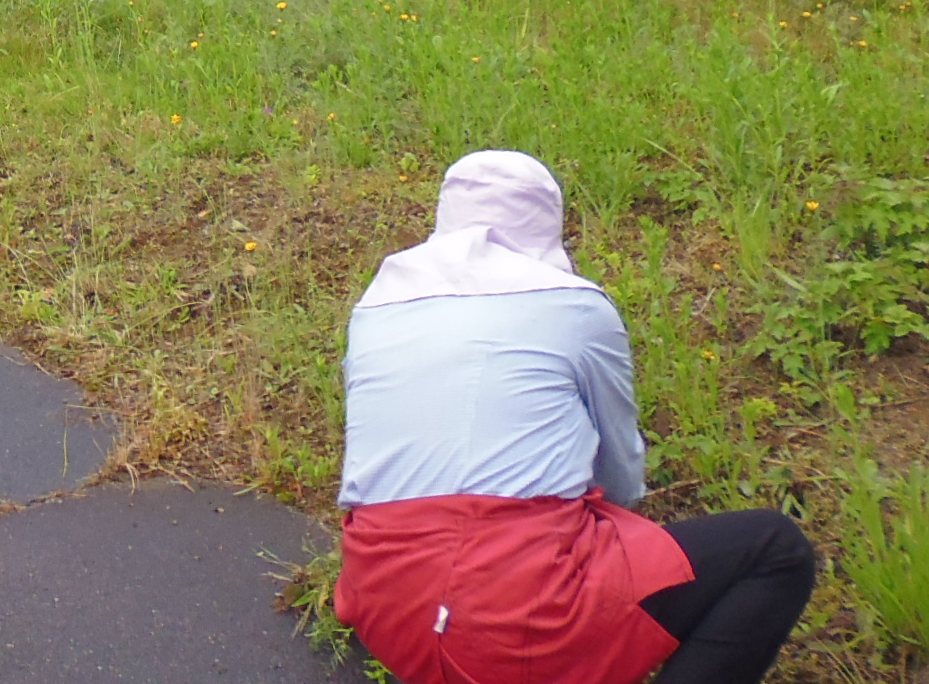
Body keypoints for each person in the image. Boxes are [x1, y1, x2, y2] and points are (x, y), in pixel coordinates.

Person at [335, 151, 815, 684]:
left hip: (383, 604)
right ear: (546, 224)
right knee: (777, 550)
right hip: (519, 610)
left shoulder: (376, 305)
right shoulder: (575, 305)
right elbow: (620, 469)